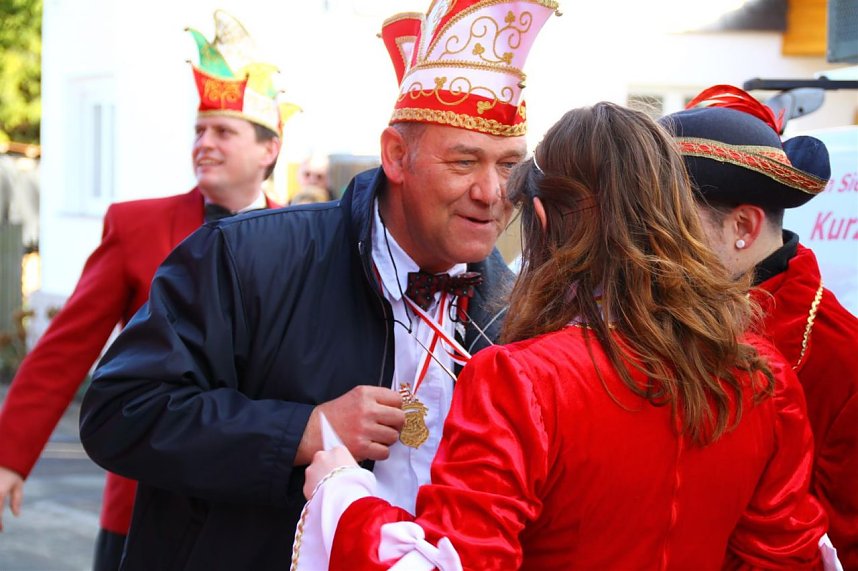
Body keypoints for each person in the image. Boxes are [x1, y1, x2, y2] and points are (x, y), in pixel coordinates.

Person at [78, 0, 557, 568]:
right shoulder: (245, 257)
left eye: (509, 166)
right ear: (396, 156)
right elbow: (120, 412)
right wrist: (303, 430)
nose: (492, 192)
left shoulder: (522, 313)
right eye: (463, 162)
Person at [296, 102, 830, 570]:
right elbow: (786, 556)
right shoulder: (762, 375)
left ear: (545, 218)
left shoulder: (521, 380)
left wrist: (341, 496)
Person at [0, 10, 289, 570]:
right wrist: (11, 455)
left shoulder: (304, 240)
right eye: (198, 131)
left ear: (268, 151)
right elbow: (66, 349)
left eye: (223, 132)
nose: (204, 143)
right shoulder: (136, 227)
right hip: (145, 501)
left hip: (257, 505)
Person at [660, 84, 858, 569]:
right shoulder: (663, 316)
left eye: (668, 223)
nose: (646, 242)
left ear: (744, 228)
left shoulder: (843, 357)